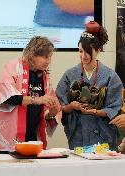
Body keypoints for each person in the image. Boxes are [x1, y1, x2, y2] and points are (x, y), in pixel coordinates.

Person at [56, 21, 123, 150]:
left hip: (103, 135)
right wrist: (71, 106)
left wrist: (95, 111)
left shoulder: (110, 76)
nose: (83, 56)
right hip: (78, 134)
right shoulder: (70, 74)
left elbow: (114, 108)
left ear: (98, 51)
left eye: (88, 52)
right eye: (80, 51)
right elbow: (60, 105)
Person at [0, 36, 60, 154]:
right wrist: (36, 100)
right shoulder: (13, 66)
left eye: (50, 57)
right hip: (6, 142)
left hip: (32, 141)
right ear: (33, 54)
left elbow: (45, 112)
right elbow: (8, 97)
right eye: (45, 57)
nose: (48, 61)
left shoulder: (45, 76)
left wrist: (52, 113)